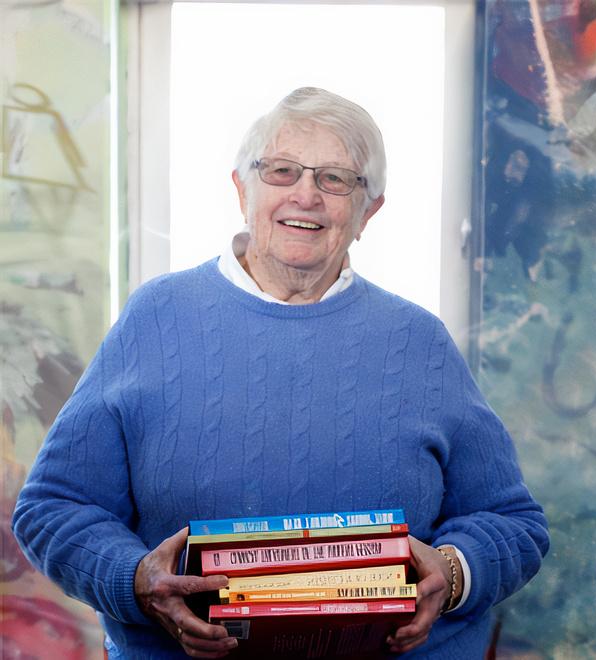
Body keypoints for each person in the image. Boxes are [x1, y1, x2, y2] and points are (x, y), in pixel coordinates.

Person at [12, 87, 549, 659]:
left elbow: (512, 522)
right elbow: (54, 508)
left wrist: (454, 570)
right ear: (242, 188)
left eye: (337, 179)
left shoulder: (418, 341)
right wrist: (136, 580)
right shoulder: (156, 319)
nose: (306, 195)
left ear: (370, 210)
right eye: (282, 171)